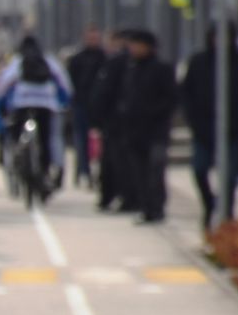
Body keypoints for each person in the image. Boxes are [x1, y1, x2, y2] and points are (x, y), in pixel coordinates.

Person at [180, 22, 238, 230]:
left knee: (230, 176)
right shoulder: (198, 62)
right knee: (199, 169)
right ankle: (209, 205)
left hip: (232, 131)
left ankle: (228, 214)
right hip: (203, 129)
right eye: (217, 37)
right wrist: (194, 121)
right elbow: (186, 94)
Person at [112, 30, 179, 225]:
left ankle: (157, 207)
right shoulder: (131, 69)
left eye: (136, 44)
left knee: (155, 169)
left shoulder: (161, 69)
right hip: (134, 131)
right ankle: (146, 208)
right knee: (139, 172)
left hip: (156, 130)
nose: (132, 48)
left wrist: (153, 112)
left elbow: (172, 98)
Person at [0, 35, 71, 191]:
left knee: (16, 133)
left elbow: (3, 85)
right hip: (46, 103)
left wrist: (0, 103)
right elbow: (65, 84)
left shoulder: (17, 61)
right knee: (46, 139)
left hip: (23, 102)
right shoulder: (48, 60)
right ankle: (45, 170)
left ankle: (17, 156)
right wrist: (64, 102)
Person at [90, 29, 135, 212]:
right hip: (125, 121)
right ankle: (125, 197)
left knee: (114, 162)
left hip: (115, 122)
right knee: (121, 161)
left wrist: (97, 118)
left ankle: (115, 196)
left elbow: (103, 93)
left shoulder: (115, 63)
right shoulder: (129, 63)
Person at [67, 26, 109, 187]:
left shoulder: (105, 58)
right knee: (81, 140)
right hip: (81, 104)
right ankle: (83, 171)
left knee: (102, 141)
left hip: (101, 106)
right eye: (90, 37)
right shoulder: (77, 59)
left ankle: (99, 173)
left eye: (95, 37)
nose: (93, 40)